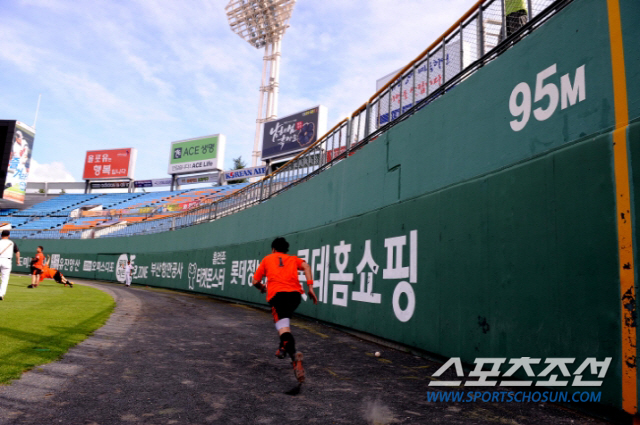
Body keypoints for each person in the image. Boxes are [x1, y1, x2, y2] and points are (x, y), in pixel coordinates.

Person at [252, 237, 318, 384]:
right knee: (285, 324)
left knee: (283, 328)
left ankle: (295, 357)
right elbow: (307, 267)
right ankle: (282, 346)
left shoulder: (267, 259)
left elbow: (255, 281)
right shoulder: (293, 259)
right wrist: (311, 287)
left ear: (273, 249)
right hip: (295, 297)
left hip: (278, 296)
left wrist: (262, 288)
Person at [0, 230, 20, 301]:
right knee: (5, 279)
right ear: (9, 236)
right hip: (7, 261)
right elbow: (17, 252)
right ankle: (1, 294)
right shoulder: (12, 243)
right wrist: (17, 260)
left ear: (1, 235)